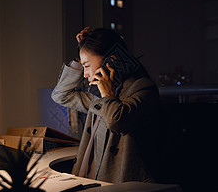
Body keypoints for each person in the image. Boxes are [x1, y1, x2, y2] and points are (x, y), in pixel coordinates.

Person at [51, 27, 160, 183]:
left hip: (123, 188)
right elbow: (60, 95)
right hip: (88, 179)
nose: (85, 74)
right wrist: (81, 54)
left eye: (87, 66)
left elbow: (117, 122)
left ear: (111, 60)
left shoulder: (143, 88)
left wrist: (107, 95)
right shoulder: (97, 96)